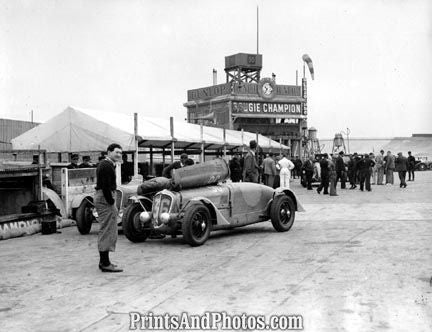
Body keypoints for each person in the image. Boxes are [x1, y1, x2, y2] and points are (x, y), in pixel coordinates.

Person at [94, 143, 123, 272]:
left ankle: (105, 261)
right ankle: (104, 263)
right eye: (116, 152)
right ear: (109, 152)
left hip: (104, 197)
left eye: (120, 153)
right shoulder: (106, 165)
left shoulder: (107, 164)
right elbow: (106, 186)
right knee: (107, 229)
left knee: (109, 228)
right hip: (105, 198)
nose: (119, 155)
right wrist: (111, 202)